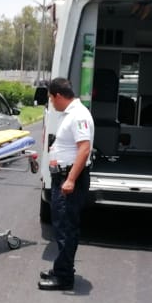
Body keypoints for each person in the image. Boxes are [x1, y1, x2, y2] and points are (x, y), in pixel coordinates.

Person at [39, 77, 94, 291]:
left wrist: (70, 179)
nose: (52, 104)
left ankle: (64, 278)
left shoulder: (79, 115)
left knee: (66, 229)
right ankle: (61, 268)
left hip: (70, 180)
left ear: (58, 96)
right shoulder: (69, 113)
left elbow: (84, 149)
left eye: (51, 99)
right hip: (61, 177)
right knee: (61, 226)